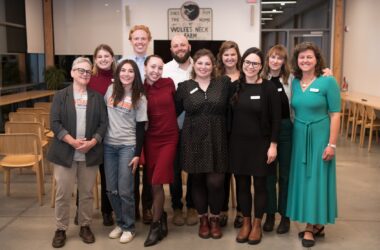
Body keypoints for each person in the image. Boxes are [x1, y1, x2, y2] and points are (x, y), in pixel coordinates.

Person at [48, 57, 107, 248]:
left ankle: (85, 226)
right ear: (72, 72)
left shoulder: (97, 97)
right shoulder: (61, 96)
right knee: (63, 193)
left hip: (89, 153)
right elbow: (55, 124)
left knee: (87, 193)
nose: (84, 74)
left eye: (88, 71)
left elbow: (103, 123)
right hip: (65, 153)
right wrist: (72, 141)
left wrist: (93, 142)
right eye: (80, 70)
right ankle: (60, 228)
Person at [286, 42, 340, 248]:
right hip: (299, 136)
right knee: (303, 179)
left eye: (309, 57)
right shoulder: (295, 81)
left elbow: (335, 114)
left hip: (320, 136)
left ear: (317, 59)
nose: (305, 60)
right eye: (302, 57)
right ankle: (317, 224)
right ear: (297, 61)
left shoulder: (328, 81)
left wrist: (332, 144)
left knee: (316, 179)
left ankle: (310, 226)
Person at [175, 49, 232, 240]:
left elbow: (243, 87)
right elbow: (172, 112)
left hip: (218, 139)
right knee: (197, 180)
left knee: (216, 182)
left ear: (213, 66)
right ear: (194, 65)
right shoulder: (184, 86)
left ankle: (215, 218)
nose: (203, 67)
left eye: (207, 63)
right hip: (193, 140)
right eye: (200, 63)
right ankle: (203, 220)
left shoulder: (223, 84)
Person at [229, 47, 281, 245]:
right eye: (248, 62)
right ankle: (246, 222)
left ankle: (257, 224)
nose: (251, 67)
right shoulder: (235, 86)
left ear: (261, 66)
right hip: (238, 145)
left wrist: (273, 145)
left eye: (255, 64)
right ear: (242, 64)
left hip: (262, 145)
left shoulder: (268, 88)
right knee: (242, 185)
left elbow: (276, 119)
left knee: (260, 186)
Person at [103, 59, 147, 244]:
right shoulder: (110, 91)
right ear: (118, 73)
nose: (126, 74)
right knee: (111, 189)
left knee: (125, 190)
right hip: (108, 146)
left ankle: (129, 227)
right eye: (123, 70)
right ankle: (120, 223)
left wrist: (137, 153)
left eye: (131, 71)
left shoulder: (140, 97)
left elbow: (140, 127)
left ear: (135, 75)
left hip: (127, 147)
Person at [75, 44, 115, 227]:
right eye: (100, 57)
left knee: (107, 177)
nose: (103, 59)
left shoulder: (119, 78)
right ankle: (80, 211)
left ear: (113, 58)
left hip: (111, 135)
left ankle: (107, 212)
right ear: (95, 60)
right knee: (85, 179)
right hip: (90, 136)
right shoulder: (89, 79)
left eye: (107, 56)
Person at [162, 34, 197, 226]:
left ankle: (192, 206)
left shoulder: (199, 67)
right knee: (174, 170)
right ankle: (176, 206)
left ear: (189, 46)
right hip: (172, 129)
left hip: (195, 129)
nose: (180, 48)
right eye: (176, 46)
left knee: (193, 168)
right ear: (171, 49)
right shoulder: (165, 70)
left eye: (183, 44)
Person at [143, 55, 179, 247]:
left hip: (169, 138)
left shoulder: (169, 84)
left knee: (158, 180)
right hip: (150, 140)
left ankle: (155, 226)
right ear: (145, 67)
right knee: (153, 184)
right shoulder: (139, 88)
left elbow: (178, 106)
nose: (156, 71)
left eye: (159, 68)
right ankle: (161, 216)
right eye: (152, 67)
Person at [120, 24, 153, 223]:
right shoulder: (123, 64)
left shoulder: (155, 63)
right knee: (131, 169)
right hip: (129, 126)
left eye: (143, 38)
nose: (140, 42)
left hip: (151, 125)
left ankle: (147, 207)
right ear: (131, 41)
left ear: (148, 40)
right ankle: (132, 209)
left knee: (149, 170)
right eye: (136, 38)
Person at [260, 44, 292, 234]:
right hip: (266, 132)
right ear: (267, 59)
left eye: (279, 58)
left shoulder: (291, 80)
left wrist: (327, 72)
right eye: (272, 57)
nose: (275, 61)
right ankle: (270, 214)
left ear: (284, 61)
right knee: (269, 176)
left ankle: (285, 216)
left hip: (286, 129)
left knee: (285, 175)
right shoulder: (261, 80)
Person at [215, 40, 243, 228]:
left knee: (241, 173)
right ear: (221, 57)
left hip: (242, 131)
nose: (230, 58)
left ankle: (242, 211)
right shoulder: (216, 77)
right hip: (222, 130)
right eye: (226, 54)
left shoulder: (246, 75)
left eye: (233, 54)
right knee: (223, 173)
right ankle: (223, 210)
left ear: (238, 56)